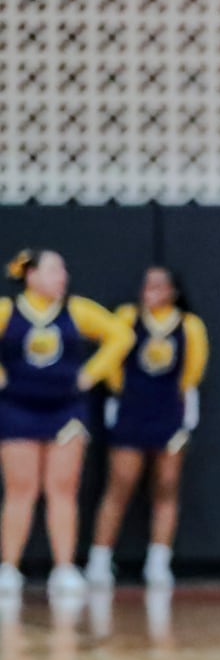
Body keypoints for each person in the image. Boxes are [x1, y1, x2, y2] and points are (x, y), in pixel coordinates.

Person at [0, 250, 135, 598]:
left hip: (65, 410)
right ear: (30, 276)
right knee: (20, 489)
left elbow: (121, 336)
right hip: (18, 408)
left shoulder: (77, 310)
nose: (62, 276)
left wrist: (92, 373)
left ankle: (63, 567)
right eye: (54, 269)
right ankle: (9, 568)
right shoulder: (8, 311)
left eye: (64, 269)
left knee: (62, 489)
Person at [85, 265, 209, 589]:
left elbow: (193, 370)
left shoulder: (188, 325)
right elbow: (112, 359)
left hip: (169, 409)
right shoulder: (127, 317)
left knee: (167, 486)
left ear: (173, 291)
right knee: (120, 484)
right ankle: (99, 558)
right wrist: (119, 390)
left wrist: (182, 407)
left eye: (158, 286)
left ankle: (158, 560)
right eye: (147, 285)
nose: (150, 291)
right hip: (132, 408)